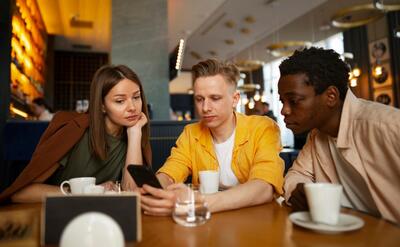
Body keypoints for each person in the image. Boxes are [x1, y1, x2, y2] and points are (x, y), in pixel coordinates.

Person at [139, 59, 284, 215]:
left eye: (215, 98)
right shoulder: (191, 133)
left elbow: (264, 187)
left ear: (235, 99)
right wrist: (156, 189)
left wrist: (196, 202)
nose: (205, 108)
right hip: (207, 223)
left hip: (255, 220)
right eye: (199, 99)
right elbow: (170, 171)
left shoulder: (262, 127)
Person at [278, 47, 400, 223]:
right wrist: (298, 188)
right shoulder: (316, 136)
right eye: (282, 101)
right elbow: (296, 174)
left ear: (331, 96)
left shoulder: (388, 126)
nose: (284, 110)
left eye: (294, 101)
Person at [0, 65, 152, 203]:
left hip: (102, 221)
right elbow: (21, 193)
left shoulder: (134, 134)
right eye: (120, 101)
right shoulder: (75, 131)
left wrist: (134, 134)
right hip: (58, 216)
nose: (132, 107)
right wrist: (86, 193)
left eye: (136, 97)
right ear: (102, 106)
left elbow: (131, 193)